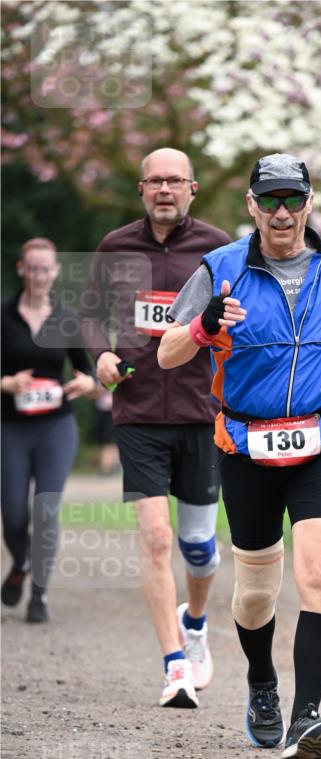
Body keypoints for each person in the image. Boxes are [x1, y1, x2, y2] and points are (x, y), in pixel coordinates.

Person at [159, 152, 321, 759]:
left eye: (294, 199)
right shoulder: (221, 268)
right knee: (257, 589)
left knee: (320, 573)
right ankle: (262, 682)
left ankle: (306, 719)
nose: (282, 212)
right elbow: (169, 356)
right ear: (252, 206)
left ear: (310, 202)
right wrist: (205, 326)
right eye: (270, 201)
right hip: (248, 444)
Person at [81, 148, 230, 709]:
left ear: (192, 188)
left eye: (175, 180)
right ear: (141, 189)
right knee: (157, 538)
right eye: (154, 181)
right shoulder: (116, 246)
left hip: (200, 411)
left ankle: (194, 620)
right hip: (139, 411)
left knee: (198, 548)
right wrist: (98, 355)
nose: (164, 189)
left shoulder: (219, 248)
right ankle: (174, 666)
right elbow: (91, 311)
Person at [1, 237, 102, 623]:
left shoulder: (66, 318)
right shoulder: (3, 315)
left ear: (56, 272)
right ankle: (22, 562)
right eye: (33, 268)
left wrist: (85, 384)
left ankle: (39, 595)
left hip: (55, 428)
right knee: (12, 515)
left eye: (46, 269)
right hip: (9, 426)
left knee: (46, 509)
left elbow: (89, 371)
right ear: (21, 269)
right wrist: (6, 384)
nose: (39, 275)